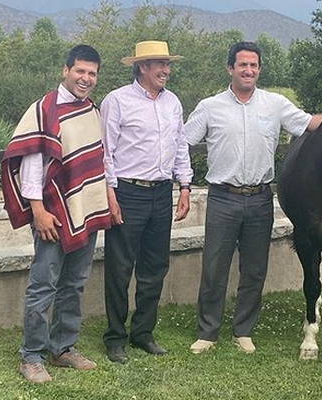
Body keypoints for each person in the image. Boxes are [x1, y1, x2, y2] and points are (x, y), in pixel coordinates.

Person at [184, 41, 322, 355]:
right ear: (230, 68)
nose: (249, 70)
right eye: (243, 65)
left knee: (255, 269)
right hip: (222, 198)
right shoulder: (210, 106)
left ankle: (243, 331)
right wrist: (181, 182)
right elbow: (182, 141)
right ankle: (207, 333)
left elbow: (310, 123)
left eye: (254, 65)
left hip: (260, 199)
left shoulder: (275, 104)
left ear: (259, 69)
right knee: (214, 267)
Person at [0, 44, 112, 383]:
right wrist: (38, 211)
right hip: (51, 212)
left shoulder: (91, 110)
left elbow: (97, 160)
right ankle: (31, 356)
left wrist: (102, 198)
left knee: (74, 283)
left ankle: (62, 347)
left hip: (84, 210)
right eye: (80, 71)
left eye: (92, 73)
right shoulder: (45, 110)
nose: (86, 78)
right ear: (65, 71)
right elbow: (34, 163)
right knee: (44, 283)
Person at [100, 40, 194, 364]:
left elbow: (180, 145)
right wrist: (111, 194)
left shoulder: (173, 104)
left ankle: (142, 333)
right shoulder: (117, 101)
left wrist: (184, 186)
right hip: (127, 191)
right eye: (159, 64)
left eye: (167, 64)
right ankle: (115, 337)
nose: (166, 70)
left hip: (160, 193)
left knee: (155, 267)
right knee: (119, 268)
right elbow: (105, 152)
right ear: (141, 67)